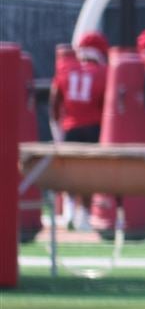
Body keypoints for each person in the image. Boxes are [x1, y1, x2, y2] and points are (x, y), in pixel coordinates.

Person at [51, 31, 109, 231]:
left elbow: (55, 101)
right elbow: (105, 105)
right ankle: (83, 214)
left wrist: (57, 130)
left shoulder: (64, 67)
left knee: (70, 172)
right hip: (93, 127)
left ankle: (68, 210)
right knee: (90, 174)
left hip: (70, 127)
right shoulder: (104, 72)